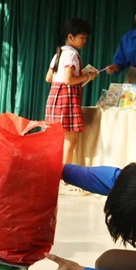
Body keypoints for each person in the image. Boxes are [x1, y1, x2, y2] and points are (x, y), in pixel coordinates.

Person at [45, 18, 97, 177]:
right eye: (82, 37)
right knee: (70, 140)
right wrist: (88, 76)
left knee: (56, 140)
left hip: (54, 97)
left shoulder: (58, 54)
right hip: (67, 99)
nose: (84, 41)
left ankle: (52, 171)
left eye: (86, 38)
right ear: (70, 37)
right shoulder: (72, 54)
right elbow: (69, 80)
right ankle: (64, 175)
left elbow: (48, 78)